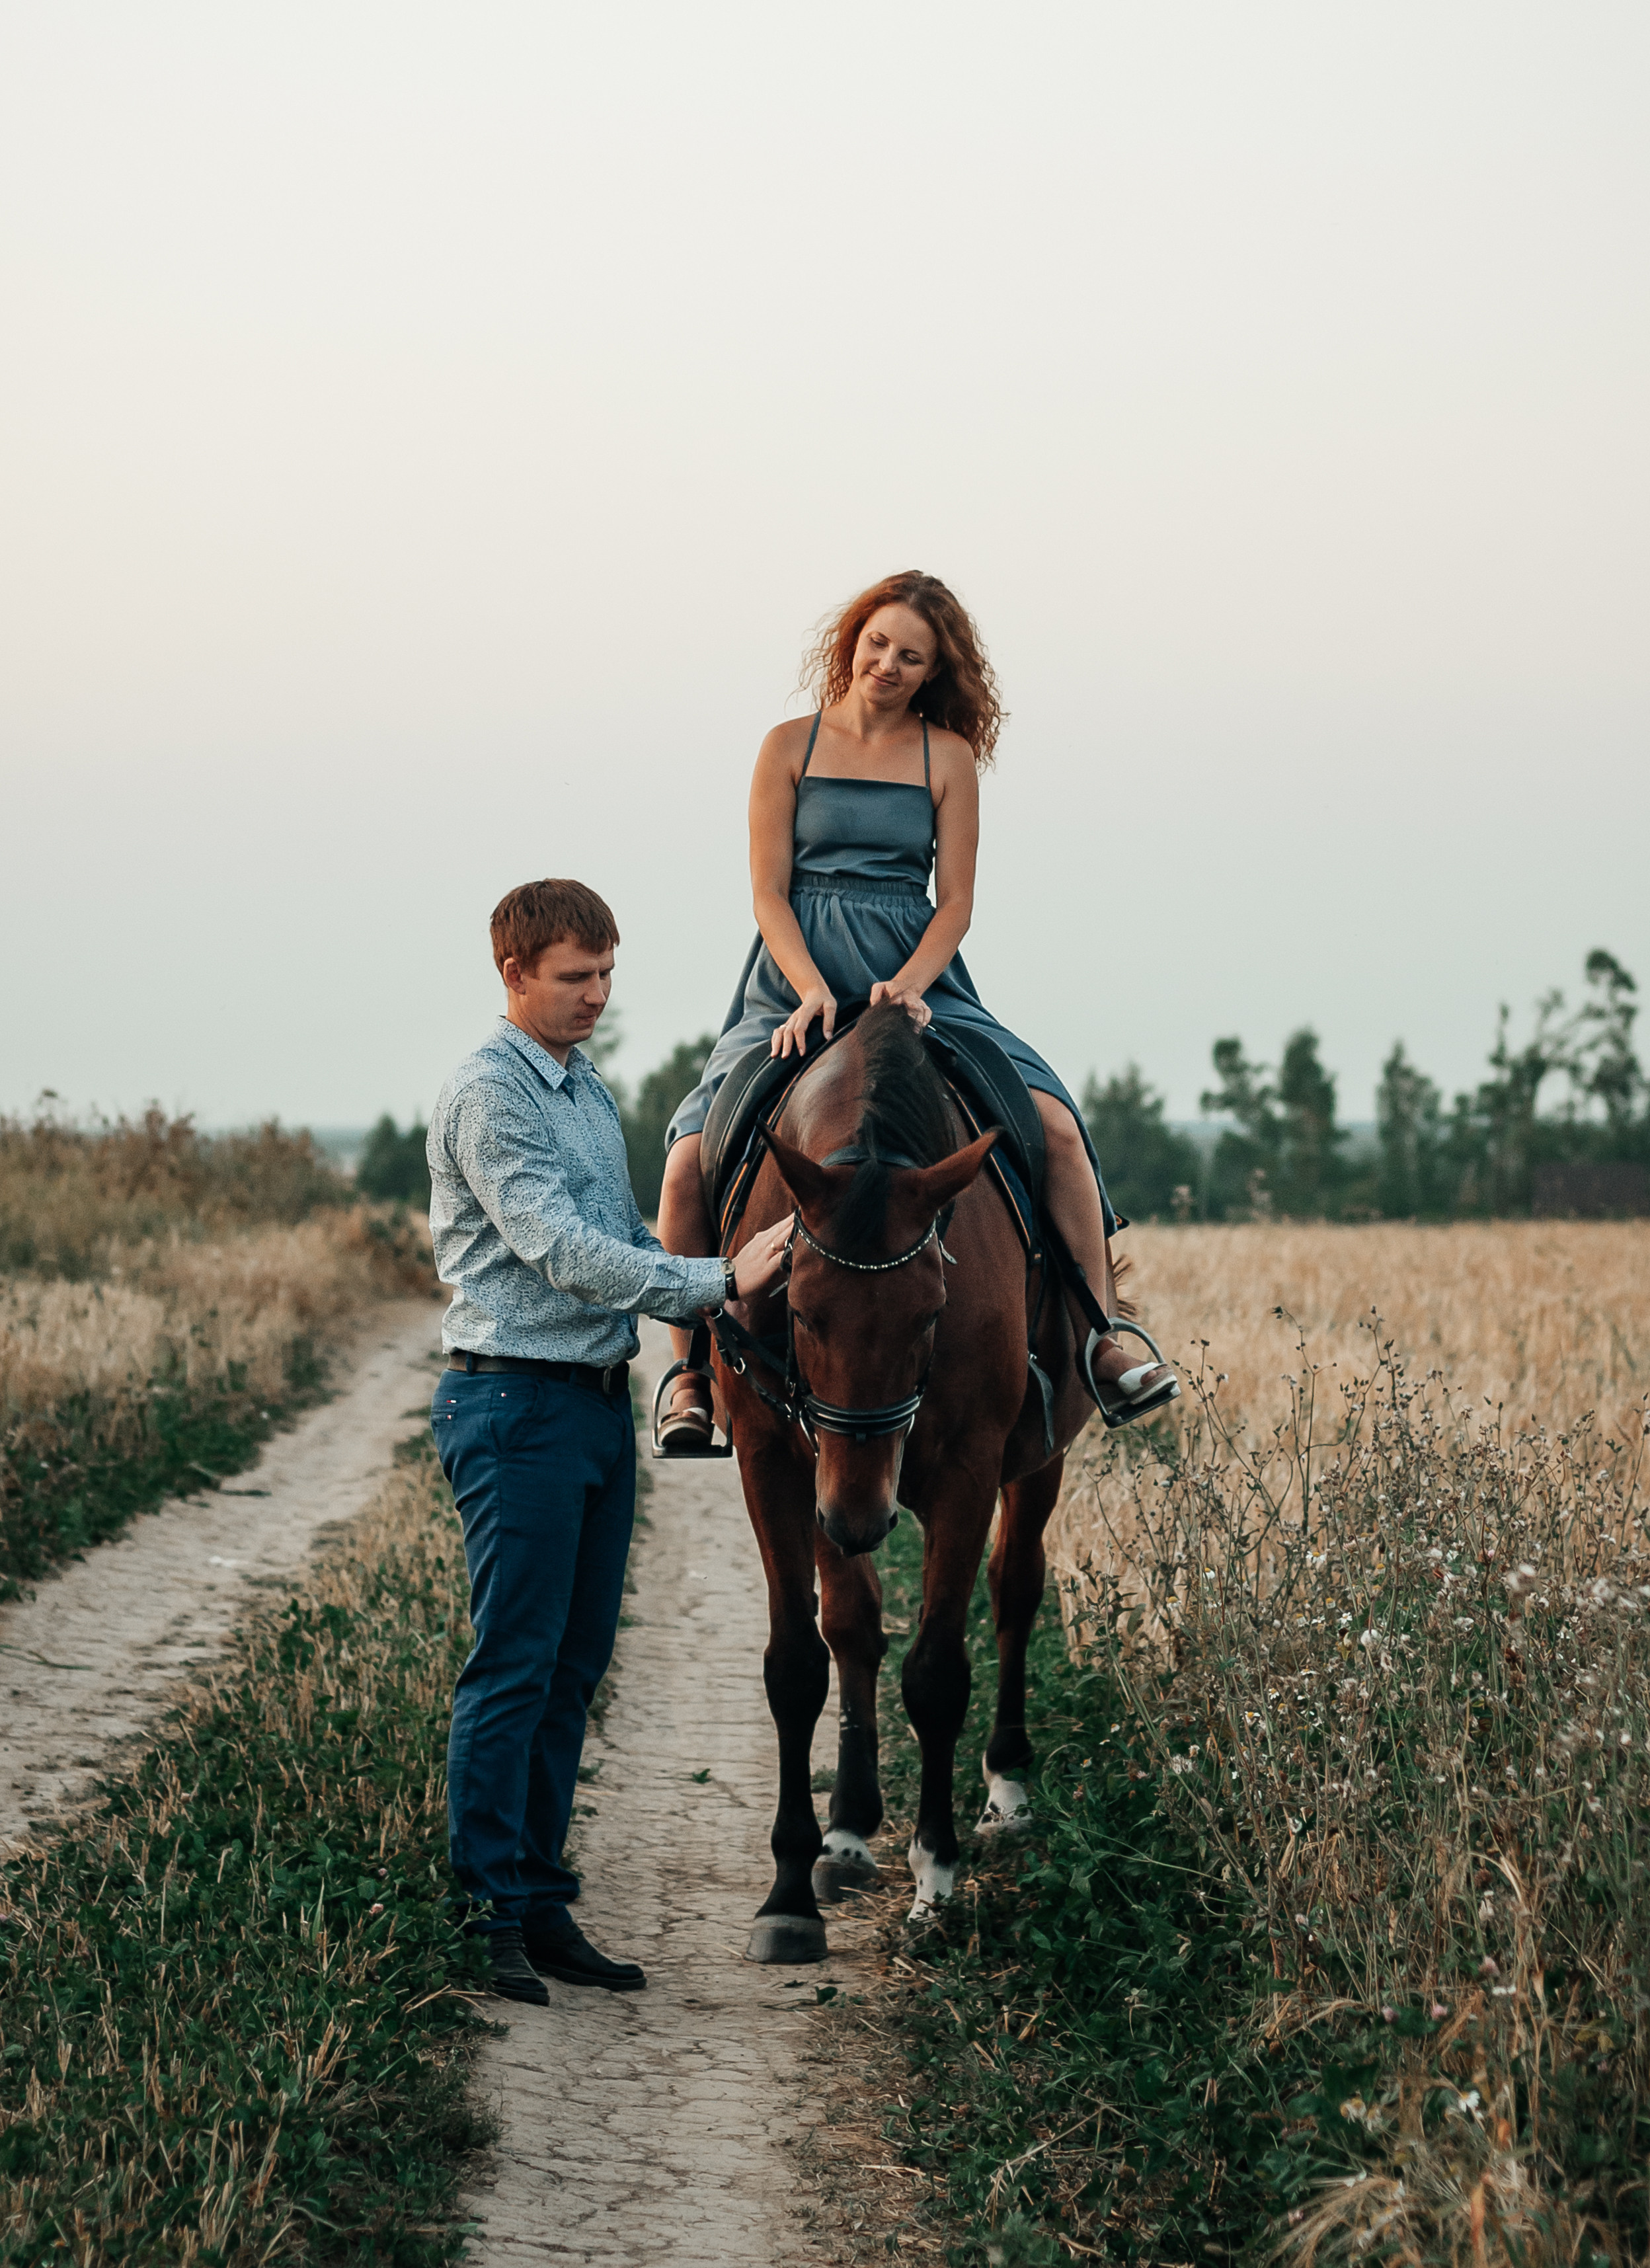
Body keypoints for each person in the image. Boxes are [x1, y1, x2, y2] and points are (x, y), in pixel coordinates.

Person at [654, 570, 1177, 1449]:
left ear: (936, 671)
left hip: (920, 977)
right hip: (795, 980)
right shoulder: (787, 745)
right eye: (878, 643)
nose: (888, 665)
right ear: (852, 639)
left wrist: (912, 983)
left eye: (911, 656)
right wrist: (813, 987)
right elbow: (769, 896)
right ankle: (690, 1373)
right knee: (686, 1160)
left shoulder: (948, 759)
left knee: (1051, 1126)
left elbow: (956, 904)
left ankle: (1101, 1335)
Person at [426, 877, 791, 2004]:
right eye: (574, 977)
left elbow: (621, 1234)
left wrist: (715, 1296)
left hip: (589, 1405)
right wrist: (717, 1279)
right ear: (514, 974)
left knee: (574, 1668)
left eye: (606, 975)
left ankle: (540, 1904)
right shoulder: (490, 1095)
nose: (595, 996)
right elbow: (558, 1250)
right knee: (514, 1667)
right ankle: (484, 1915)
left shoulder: (587, 1090)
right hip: (513, 1406)